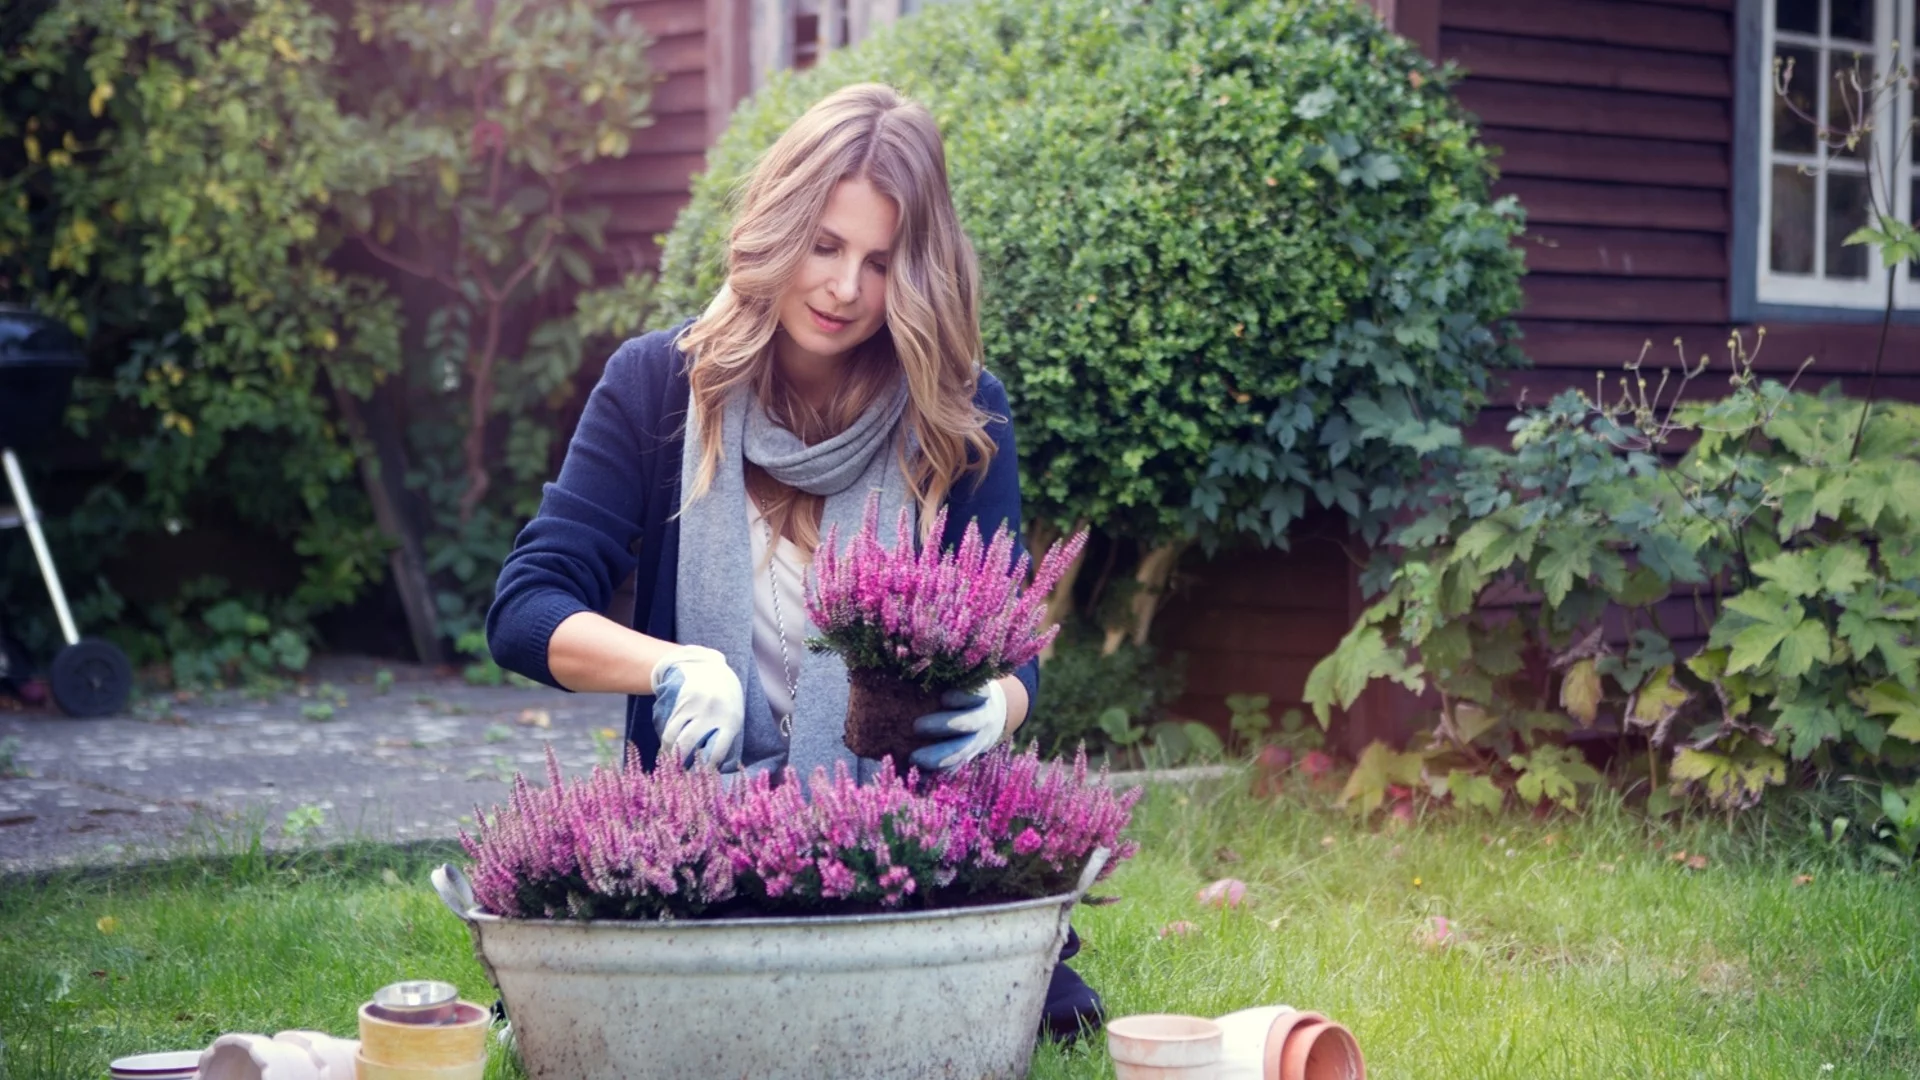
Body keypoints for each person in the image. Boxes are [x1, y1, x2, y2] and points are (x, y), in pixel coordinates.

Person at [484, 82, 1101, 1040]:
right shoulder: (657, 386)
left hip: (896, 844)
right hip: (700, 840)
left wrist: (997, 707)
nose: (844, 288)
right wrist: (672, 665)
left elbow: (1014, 652)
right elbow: (525, 609)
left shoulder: (957, 412)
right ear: (778, 227)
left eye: (881, 262)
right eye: (824, 244)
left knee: (1034, 1016)